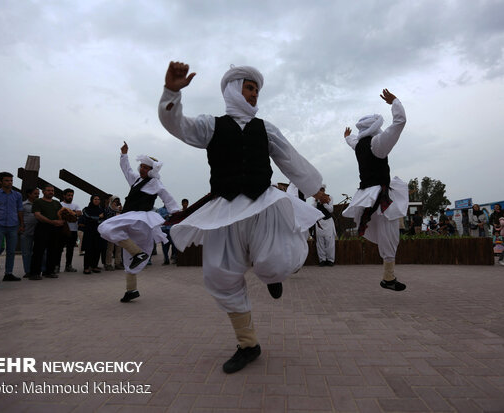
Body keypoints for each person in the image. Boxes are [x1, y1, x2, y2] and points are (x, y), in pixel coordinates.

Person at [159, 62, 327, 374]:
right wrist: (172, 92)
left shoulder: (267, 128)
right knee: (220, 275)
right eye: (249, 88)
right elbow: (177, 125)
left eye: (256, 90)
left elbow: (290, 159)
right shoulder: (211, 125)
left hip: (263, 205)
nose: (253, 95)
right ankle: (248, 344)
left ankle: (274, 278)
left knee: (276, 260)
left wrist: (316, 188)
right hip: (224, 210)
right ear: (234, 89)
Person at [341, 88, 408, 292]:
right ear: (376, 128)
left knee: (387, 235)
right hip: (381, 196)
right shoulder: (377, 144)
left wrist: (347, 137)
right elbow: (399, 123)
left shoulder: (360, 144)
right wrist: (395, 102)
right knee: (390, 235)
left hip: (367, 196)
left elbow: (352, 142)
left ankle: (389, 276)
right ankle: (388, 278)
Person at [98, 141, 180, 302]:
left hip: (140, 219)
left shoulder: (155, 183)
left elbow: (168, 198)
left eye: (145, 167)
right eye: (141, 166)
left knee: (106, 227)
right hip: (132, 219)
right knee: (128, 256)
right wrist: (124, 155)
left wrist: (178, 214)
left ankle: (138, 253)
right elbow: (127, 170)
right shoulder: (136, 180)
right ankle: (131, 290)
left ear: (152, 170)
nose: (141, 169)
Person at [0, 172, 24, 284]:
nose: (10, 182)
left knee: (11, 251)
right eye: (7, 180)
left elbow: (20, 210)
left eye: (11, 180)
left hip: (13, 225)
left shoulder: (17, 195)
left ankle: (8, 273)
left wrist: (21, 224)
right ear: (0, 182)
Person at [29, 185, 64, 280]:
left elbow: (62, 214)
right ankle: (34, 273)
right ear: (43, 191)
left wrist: (62, 221)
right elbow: (37, 215)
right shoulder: (38, 201)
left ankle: (49, 271)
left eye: (52, 190)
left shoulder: (57, 203)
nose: (51, 192)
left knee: (53, 251)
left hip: (55, 229)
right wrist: (52, 222)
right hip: (42, 228)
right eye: (48, 190)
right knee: (38, 251)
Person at [58, 189, 82, 272]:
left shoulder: (75, 205)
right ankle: (56, 266)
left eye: (71, 195)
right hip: (62, 229)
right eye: (68, 195)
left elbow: (79, 213)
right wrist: (73, 213)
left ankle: (68, 266)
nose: (70, 197)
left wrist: (68, 212)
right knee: (59, 249)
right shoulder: (60, 204)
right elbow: (59, 214)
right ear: (64, 195)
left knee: (70, 249)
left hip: (73, 230)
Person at [313, 185, 336, 266]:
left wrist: (325, 203)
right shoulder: (315, 199)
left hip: (328, 221)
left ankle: (330, 260)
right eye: (319, 190)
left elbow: (331, 209)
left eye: (322, 190)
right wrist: (316, 201)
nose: (321, 191)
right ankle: (322, 260)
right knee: (320, 242)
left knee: (329, 241)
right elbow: (313, 209)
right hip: (319, 222)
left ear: (324, 190)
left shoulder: (330, 198)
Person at [81, 195, 105, 274]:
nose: (97, 200)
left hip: (98, 233)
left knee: (97, 249)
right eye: (95, 199)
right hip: (89, 232)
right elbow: (88, 217)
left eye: (98, 199)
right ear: (91, 200)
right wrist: (98, 217)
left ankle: (94, 266)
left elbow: (104, 219)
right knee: (89, 250)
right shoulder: (86, 209)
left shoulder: (101, 209)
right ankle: (86, 267)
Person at [20, 188, 39, 277]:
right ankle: (28, 271)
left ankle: (41, 269)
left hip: (38, 231)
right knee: (26, 252)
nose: (37, 195)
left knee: (41, 251)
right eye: (35, 193)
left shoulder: (40, 204)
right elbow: (19, 217)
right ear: (29, 194)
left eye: (38, 193)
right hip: (26, 231)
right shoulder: (23, 205)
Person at [103, 195, 123, 270]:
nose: (115, 203)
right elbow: (108, 218)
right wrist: (116, 212)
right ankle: (108, 264)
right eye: (114, 201)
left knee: (118, 249)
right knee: (110, 249)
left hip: (118, 231)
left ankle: (118, 263)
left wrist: (121, 210)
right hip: (111, 231)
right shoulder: (108, 209)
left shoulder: (120, 209)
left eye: (117, 201)